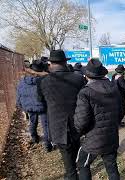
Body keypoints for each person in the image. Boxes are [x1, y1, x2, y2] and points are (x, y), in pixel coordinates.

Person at [38, 50, 86, 180]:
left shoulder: (43, 81)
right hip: (77, 124)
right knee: (76, 157)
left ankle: (72, 174)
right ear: (65, 62)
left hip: (58, 127)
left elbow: (41, 103)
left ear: (50, 63)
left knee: (69, 166)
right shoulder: (78, 79)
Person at [74, 58, 121, 180]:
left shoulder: (85, 93)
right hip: (111, 135)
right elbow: (122, 109)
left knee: (82, 163)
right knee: (111, 167)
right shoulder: (114, 88)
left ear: (87, 76)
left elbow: (81, 121)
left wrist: (79, 133)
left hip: (93, 139)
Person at [16, 60, 52, 152]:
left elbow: (19, 95)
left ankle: (34, 138)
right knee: (46, 125)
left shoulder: (22, 81)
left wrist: (21, 106)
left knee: (32, 122)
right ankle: (47, 145)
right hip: (43, 106)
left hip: (29, 106)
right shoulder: (45, 80)